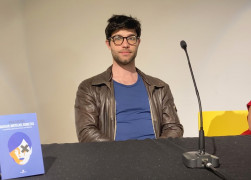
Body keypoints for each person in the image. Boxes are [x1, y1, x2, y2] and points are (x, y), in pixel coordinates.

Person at [75, 14, 184, 142]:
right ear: (109, 44)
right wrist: (122, 153)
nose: (125, 44)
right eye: (118, 38)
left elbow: (174, 127)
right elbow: (86, 132)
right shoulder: (90, 87)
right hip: (113, 158)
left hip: (154, 157)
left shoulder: (160, 87)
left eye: (131, 38)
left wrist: (155, 150)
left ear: (138, 42)